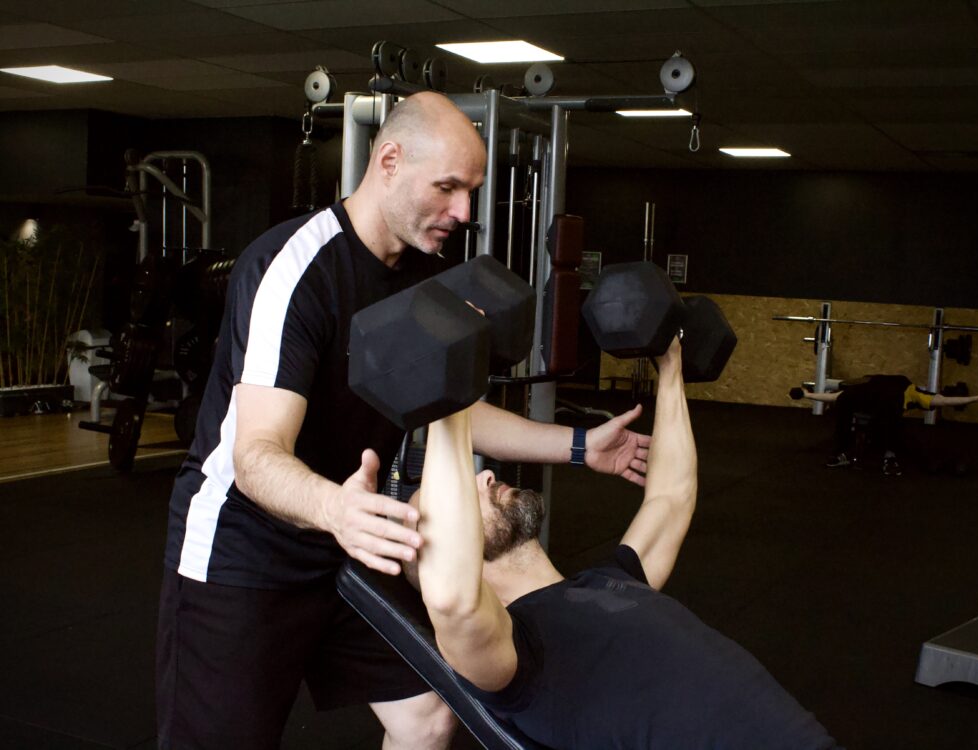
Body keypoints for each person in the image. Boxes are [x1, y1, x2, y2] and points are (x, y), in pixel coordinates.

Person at [155, 91, 651, 749]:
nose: (463, 212)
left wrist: (583, 446)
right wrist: (335, 510)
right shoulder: (298, 269)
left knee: (427, 714)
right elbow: (256, 455)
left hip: (350, 538)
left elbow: (452, 406)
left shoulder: (427, 277)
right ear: (388, 160)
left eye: (471, 191)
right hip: (243, 553)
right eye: (447, 188)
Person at [407, 337, 840, 749]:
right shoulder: (511, 656)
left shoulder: (611, 579)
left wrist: (670, 364)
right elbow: (451, 600)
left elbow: (672, 496)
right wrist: (450, 388)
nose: (485, 475)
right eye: (462, 493)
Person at [791, 375, 978, 476]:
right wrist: (977, 398)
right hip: (880, 405)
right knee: (885, 419)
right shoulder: (906, 392)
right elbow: (945, 401)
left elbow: (833, 397)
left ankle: (844, 454)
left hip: (872, 403)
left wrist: (806, 395)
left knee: (869, 413)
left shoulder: (895, 390)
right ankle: (886, 457)